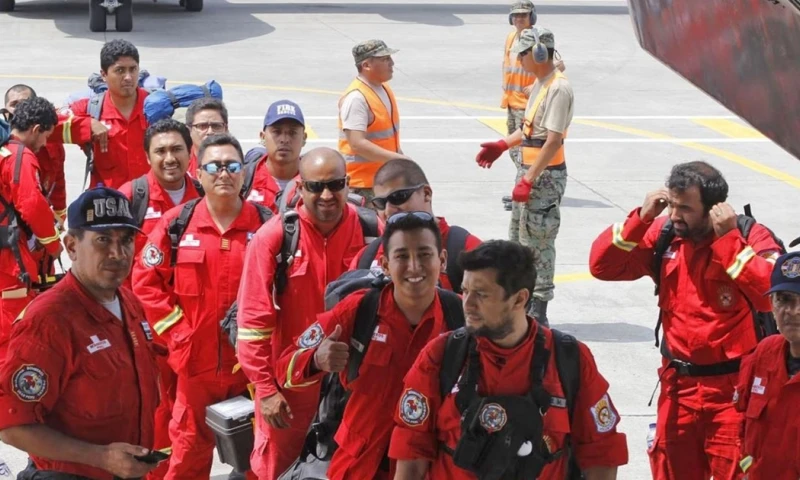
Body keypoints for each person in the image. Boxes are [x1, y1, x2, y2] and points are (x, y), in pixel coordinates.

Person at [588, 161, 782, 480]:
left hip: (733, 394)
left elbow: (768, 296)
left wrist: (729, 242)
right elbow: (602, 266)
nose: (676, 215)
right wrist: (641, 219)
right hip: (678, 389)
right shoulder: (666, 233)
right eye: (673, 206)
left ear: (714, 209)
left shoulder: (750, 236)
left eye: (686, 208)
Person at [389, 240, 628, 479]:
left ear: (519, 299)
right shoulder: (442, 355)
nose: (468, 304)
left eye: (481, 294)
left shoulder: (569, 359)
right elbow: (411, 453)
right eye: (465, 291)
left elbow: (601, 454)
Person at [276, 211, 460, 479]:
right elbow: (285, 367)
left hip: (428, 468)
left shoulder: (460, 319)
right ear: (385, 265)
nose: (414, 266)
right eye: (401, 256)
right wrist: (317, 360)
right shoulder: (358, 309)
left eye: (424, 254)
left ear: (442, 260)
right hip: (359, 466)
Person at [236, 147, 382, 479]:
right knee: (280, 469)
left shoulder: (373, 230)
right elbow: (252, 327)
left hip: (356, 389)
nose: (327, 195)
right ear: (300, 187)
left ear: (348, 184)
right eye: (316, 186)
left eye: (335, 184)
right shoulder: (274, 238)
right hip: (291, 392)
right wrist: (266, 391)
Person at [0, 186, 161, 480]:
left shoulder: (129, 302)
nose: (117, 252)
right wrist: (101, 457)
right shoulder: (49, 321)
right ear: (72, 246)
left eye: (126, 240)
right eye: (102, 240)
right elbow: (11, 427)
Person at [132, 134, 265, 480]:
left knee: (256, 460)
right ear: (199, 173)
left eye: (232, 166)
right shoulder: (178, 224)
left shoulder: (267, 226)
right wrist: (179, 335)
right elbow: (145, 281)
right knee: (187, 456)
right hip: (194, 369)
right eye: (214, 166)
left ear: (243, 173)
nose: (224, 174)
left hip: (249, 369)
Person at [117, 118, 201, 480]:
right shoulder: (130, 198)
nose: (170, 158)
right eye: (160, 151)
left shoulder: (207, 195)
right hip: (145, 334)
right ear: (147, 156)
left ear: (190, 152)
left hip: (196, 336)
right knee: (151, 413)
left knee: (190, 421)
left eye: (177, 149)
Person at [476, 26, 573, 327]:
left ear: (538, 53)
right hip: (530, 173)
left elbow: (553, 140)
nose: (518, 60)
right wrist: (503, 144)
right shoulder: (541, 84)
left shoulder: (558, 88)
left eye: (523, 53)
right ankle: (524, 301)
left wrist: (530, 178)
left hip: (543, 177)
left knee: (538, 243)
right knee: (519, 240)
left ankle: (538, 309)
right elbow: (532, 131)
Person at [349, 158, 482, 293]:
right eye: (380, 203)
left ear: (426, 194)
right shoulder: (366, 257)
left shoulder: (468, 250)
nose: (388, 210)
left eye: (398, 197)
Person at [0, 97, 63, 357]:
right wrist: (54, 245)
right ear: (36, 129)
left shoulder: (4, 151)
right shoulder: (20, 157)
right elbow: (31, 204)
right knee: (10, 328)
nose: (45, 144)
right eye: (45, 136)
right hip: (7, 261)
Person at [734, 251, 800, 479]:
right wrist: (747, 469)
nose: (794, 311)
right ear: (771, 305)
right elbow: (742, 425)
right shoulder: (764, 353)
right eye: (784, 299)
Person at [498, 1, 565, 211]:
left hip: (527, 105)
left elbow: (558, 65)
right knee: (514, 151)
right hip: (512, 101)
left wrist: (536, 86)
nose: (519, 19)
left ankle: (526, 188)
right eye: (515, 16)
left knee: (523, 153)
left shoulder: (537, 42)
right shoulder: (511, 38)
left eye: (523, 15)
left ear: (532, 17)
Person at [4, 84, 103, 224]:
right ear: (5, 111)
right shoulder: (6, 147)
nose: (21, 110)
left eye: (26, 104)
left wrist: (59, 215)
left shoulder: (50, 144)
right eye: (14, 105)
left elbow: (57, 181)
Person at [69, 39, 150, 189]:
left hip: (151, 204)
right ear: (104, 74)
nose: (128, 77)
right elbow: (49, 122)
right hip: (108, 205)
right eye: (120, 71)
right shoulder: (90, 110)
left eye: (133, 69)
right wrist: (87, 124)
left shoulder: (155, 106)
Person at [337, 39, 408, 204]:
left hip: (382, 182)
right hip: (363, 188)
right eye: (385, 59)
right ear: (367, 65)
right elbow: (357, 144)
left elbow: (387, 140)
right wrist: (398, 160)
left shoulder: (383, 89)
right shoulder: (356, 98)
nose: (392, 63)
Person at [240, 100, 304, 211]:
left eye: (292, 132)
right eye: (276, 132)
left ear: (304, 138)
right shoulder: (244, 178)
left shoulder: (315, 181)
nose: (284, 140)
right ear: (262, 137)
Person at [185, 97, 230, 177]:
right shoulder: (182, 166)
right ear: (189, 131)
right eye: (202, 126)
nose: (210, 132)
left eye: (216, 126)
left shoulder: (235, 166)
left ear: (226, 129)